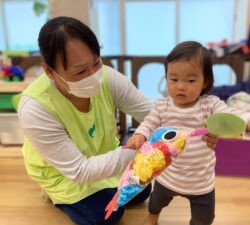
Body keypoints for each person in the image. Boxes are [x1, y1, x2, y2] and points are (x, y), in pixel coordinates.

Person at [17, 17, 217, 225]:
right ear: (50, 71)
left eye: (96, 62)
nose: (94, 75)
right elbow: (79, 170)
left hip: (103, 155)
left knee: (142, 190)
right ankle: (56, 195)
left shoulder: (108, 78)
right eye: (81, 71)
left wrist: (200, 127)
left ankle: (107, 187)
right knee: (107, 215)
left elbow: (152, 113)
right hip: (66, 173)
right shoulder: (35, 108)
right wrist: (150, 147)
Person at [126, 41, 250, 225]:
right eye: (174, 79)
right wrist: (140, 134)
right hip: (169, 175)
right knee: (155, 202)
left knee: (205, 219)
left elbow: (231, 115)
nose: (180, 86)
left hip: (200, 181)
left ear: (205, 82)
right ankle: (152, 217)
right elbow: (149, 123)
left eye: (190, 80)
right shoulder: (162, 106)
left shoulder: (209, 105)